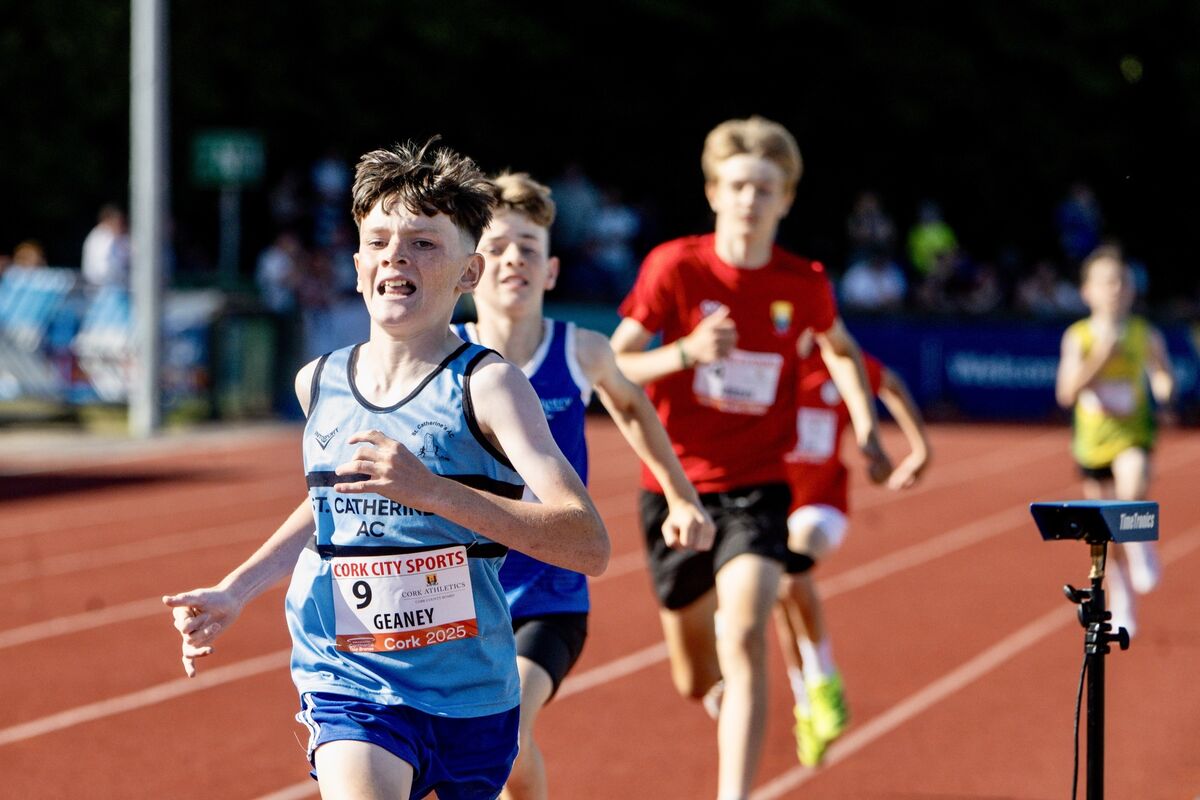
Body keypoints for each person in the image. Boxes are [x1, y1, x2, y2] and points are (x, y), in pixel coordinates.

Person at [163, 139, 609, 800]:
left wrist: (432, 492)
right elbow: (326, 507)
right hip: (352, 681)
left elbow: (587, 542)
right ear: (357, 263)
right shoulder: (318, 382)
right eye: (378, 241)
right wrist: (237, 588)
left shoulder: (489, 387)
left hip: (471, 695)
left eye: (424, 243)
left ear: (469, 272)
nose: (396, 256)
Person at [609, 115, 892, 800]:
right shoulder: (674, 266)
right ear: (713, 192)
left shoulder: (806, 283)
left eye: (764, 188)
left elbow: (842, 351)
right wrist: (686, 353)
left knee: (745, 630)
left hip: (758, 489)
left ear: (786, 198)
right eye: (736, 186)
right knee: (695, 676)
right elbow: (613, 364)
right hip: (675, 488)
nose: (749, 201)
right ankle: (729, 704)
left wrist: (869, 429)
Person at [456, 171, 714, 800]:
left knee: (506, 727)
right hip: (457, 598)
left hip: (549, 598)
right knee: (495, 753)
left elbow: (634, 408)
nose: (514, 258)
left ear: (550, 272)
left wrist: (681, 495)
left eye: (530, 249)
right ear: (468, 269)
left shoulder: (581, 351)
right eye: (497, 246)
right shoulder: (444, 355)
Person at [774, 347, 931, 767]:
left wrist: (919, 450)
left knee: (791, 573)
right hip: (767, 508)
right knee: (778, 598)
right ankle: (804, 704)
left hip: (822, 506)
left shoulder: (839, 362)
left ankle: (824, 680)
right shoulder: (765, 357)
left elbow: (891, 383)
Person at [1054, 243, 1173, 638]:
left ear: (1132, 290)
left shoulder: (1143, 334)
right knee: (1105, 534)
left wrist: (1164, 388)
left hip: (1132, 433)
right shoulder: (1079, 337)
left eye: (1121, 281)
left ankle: (1141, 546)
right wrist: (1101, 358)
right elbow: (1066, 392)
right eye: (1106, 282)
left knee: (1132, 483)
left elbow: (1161, 372)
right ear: (1087, 291)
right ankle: (1122, 596)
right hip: (1092, 442)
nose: (1115, 289)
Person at [81, 203, 131, 288]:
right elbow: (102, 269)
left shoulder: (120, 237)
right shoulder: (100, 237)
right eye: (119, 222)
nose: (122, 226)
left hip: (117, 284)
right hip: (101, 287)